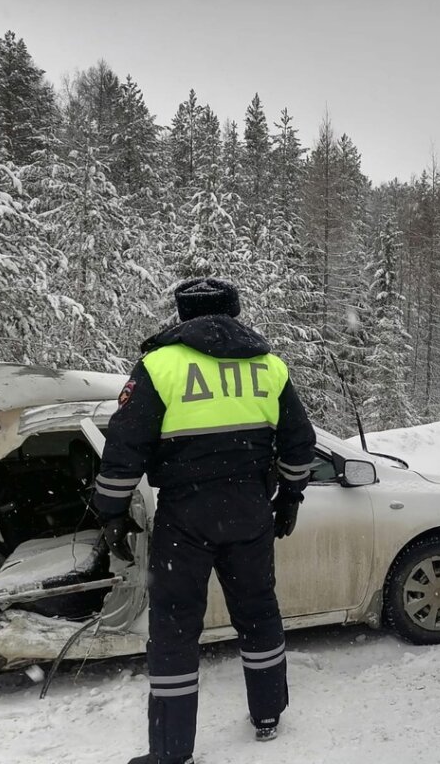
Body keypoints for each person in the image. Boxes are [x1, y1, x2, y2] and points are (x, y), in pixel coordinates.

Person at [93, 278, 317, 764]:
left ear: (182, 314)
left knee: (174, 629)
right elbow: (301, 444)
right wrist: (290, 496)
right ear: (234, 311)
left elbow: (125, 447)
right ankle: (268, 714)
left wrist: (111, 511)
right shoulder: (269, 366)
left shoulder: (160, 365)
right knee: (258, 612)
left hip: (186, 515)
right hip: (250, 510)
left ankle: (172, 753)